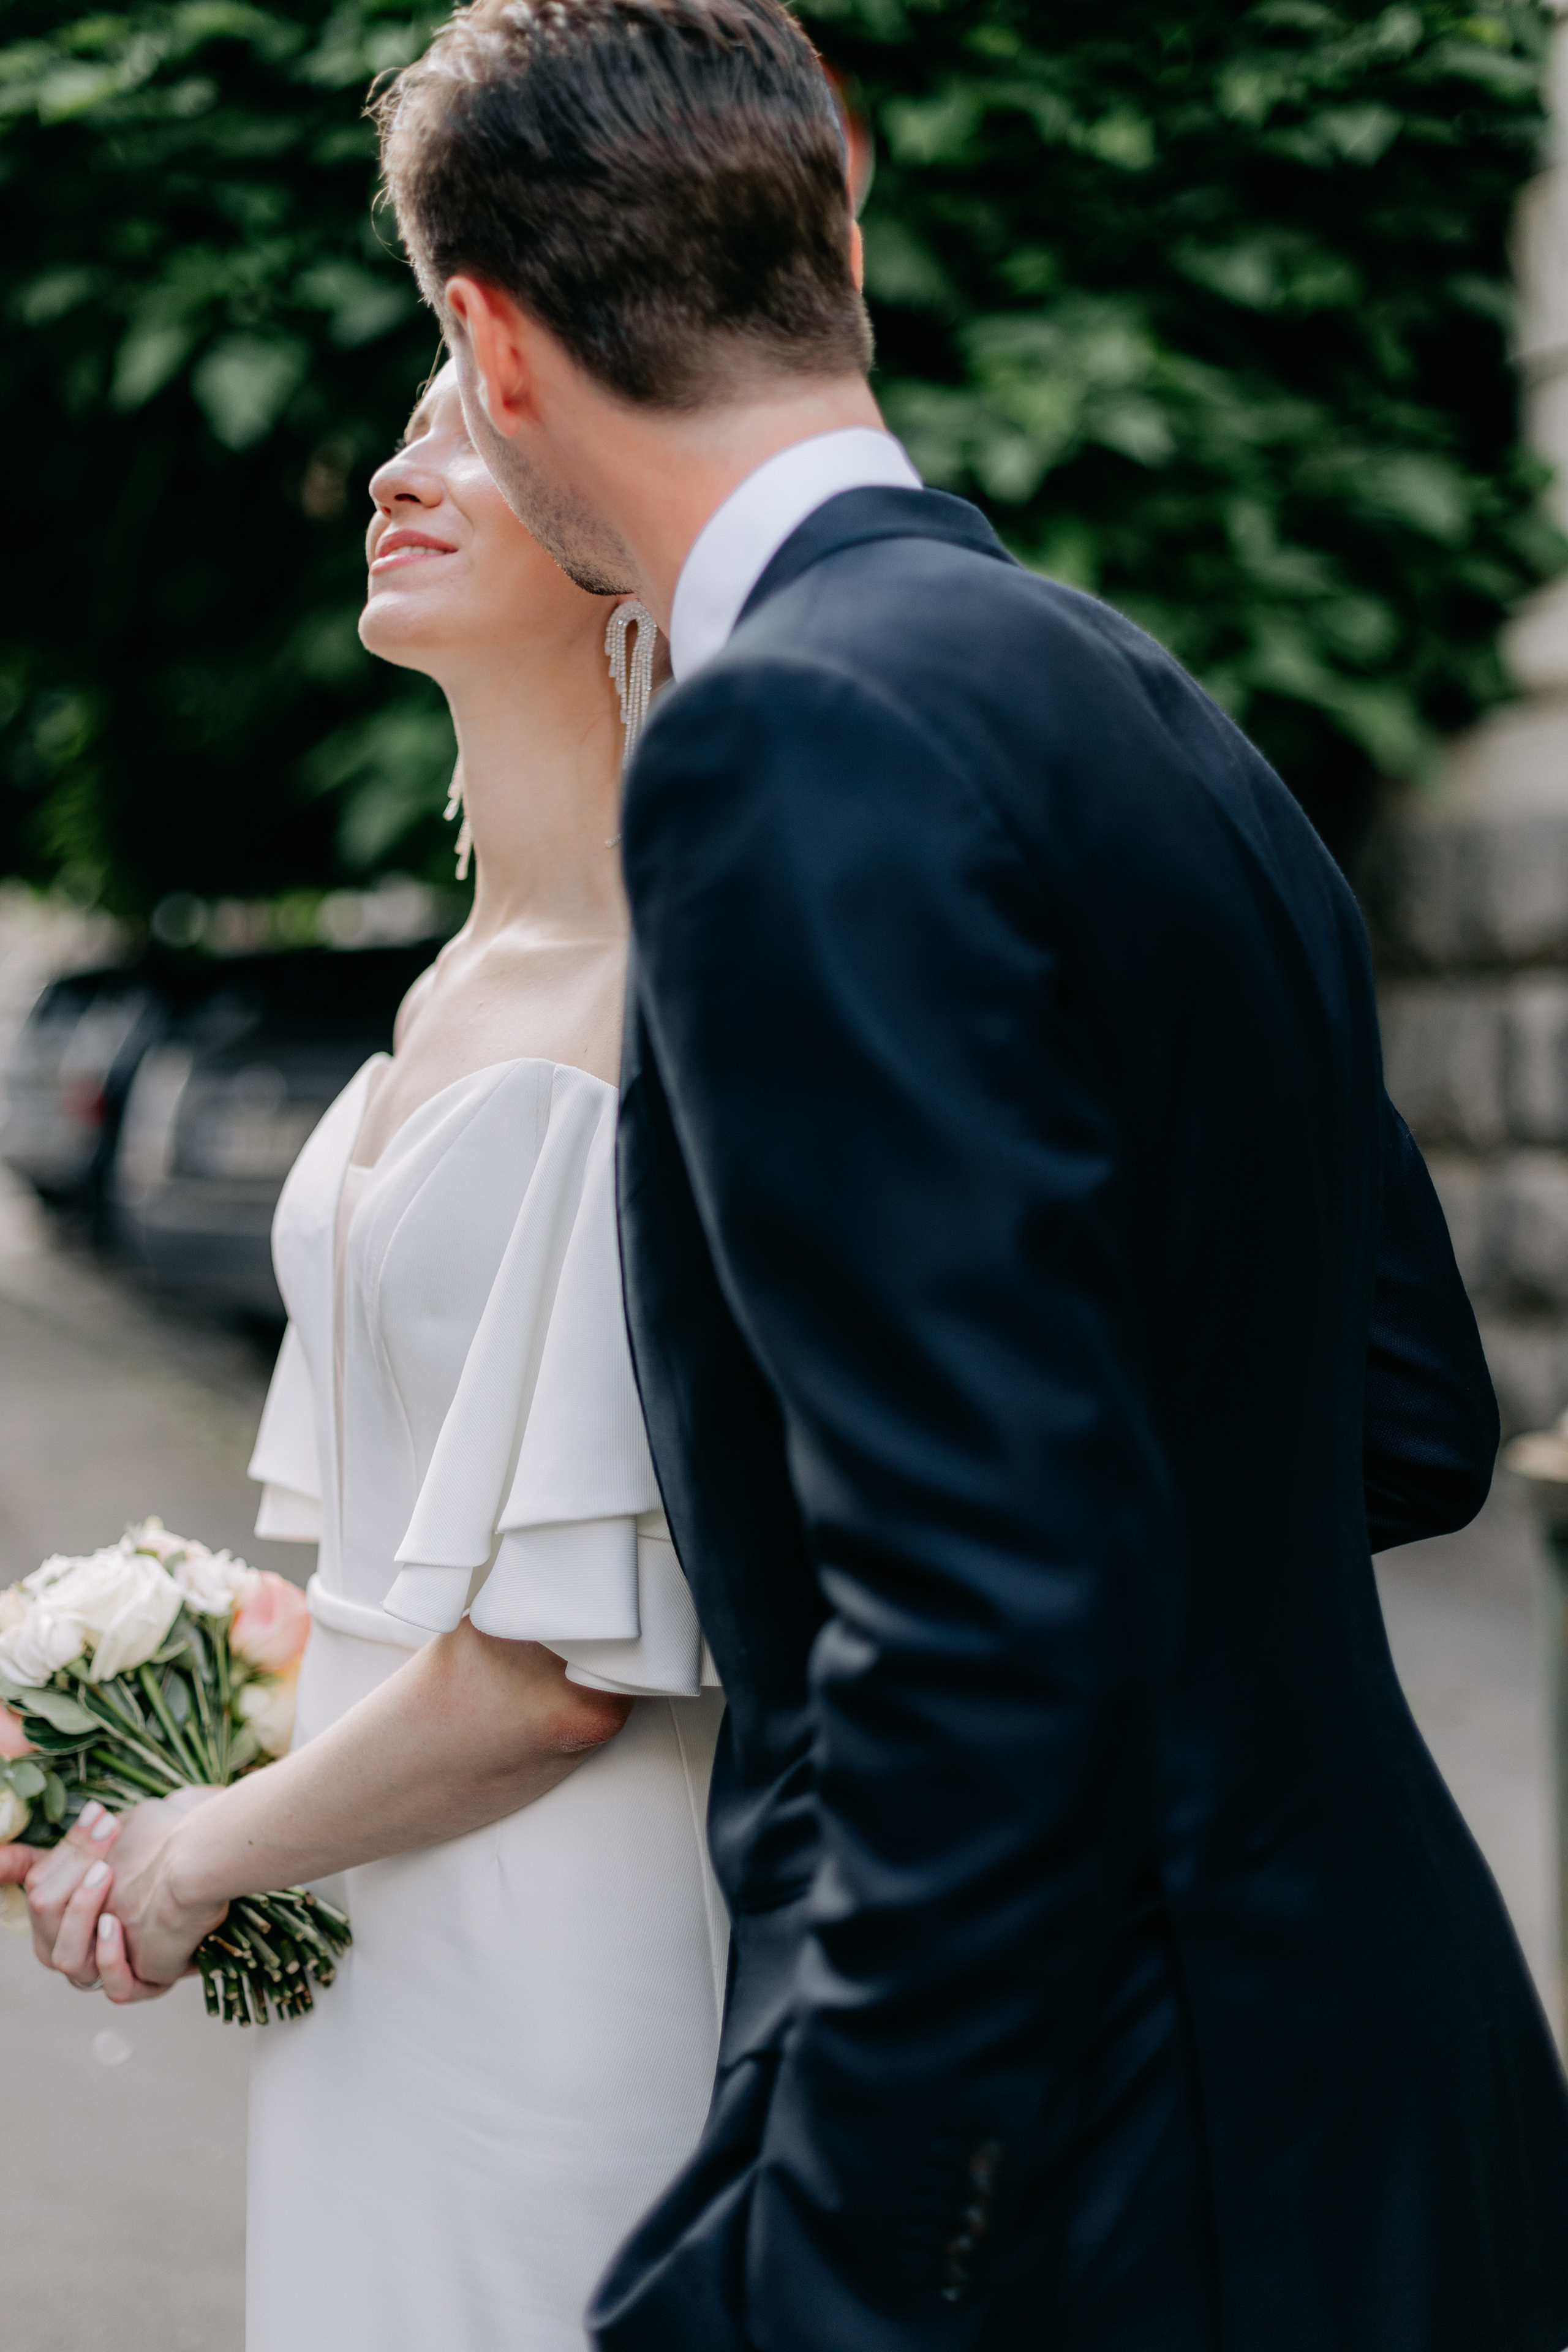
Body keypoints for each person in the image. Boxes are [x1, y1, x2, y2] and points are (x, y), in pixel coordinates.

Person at [364, 2, 1568, 2349]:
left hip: (1101, 2188)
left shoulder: (785, 744)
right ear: (841, 250)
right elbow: (1409, 1414)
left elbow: (982, 1618)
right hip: (1383, 2086)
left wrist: (823, 2277)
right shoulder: (1144, 699)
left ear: (490, 345)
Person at [9, 359, 728, 2352]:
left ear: (621, 538)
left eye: (474, 434)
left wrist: (191, 1859)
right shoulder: (452, 979)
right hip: (371, 1888)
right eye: (409, 430)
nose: (401, 472)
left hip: (554, 1925)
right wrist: (182, 1716)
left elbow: (559, 1679)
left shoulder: (657, 988)